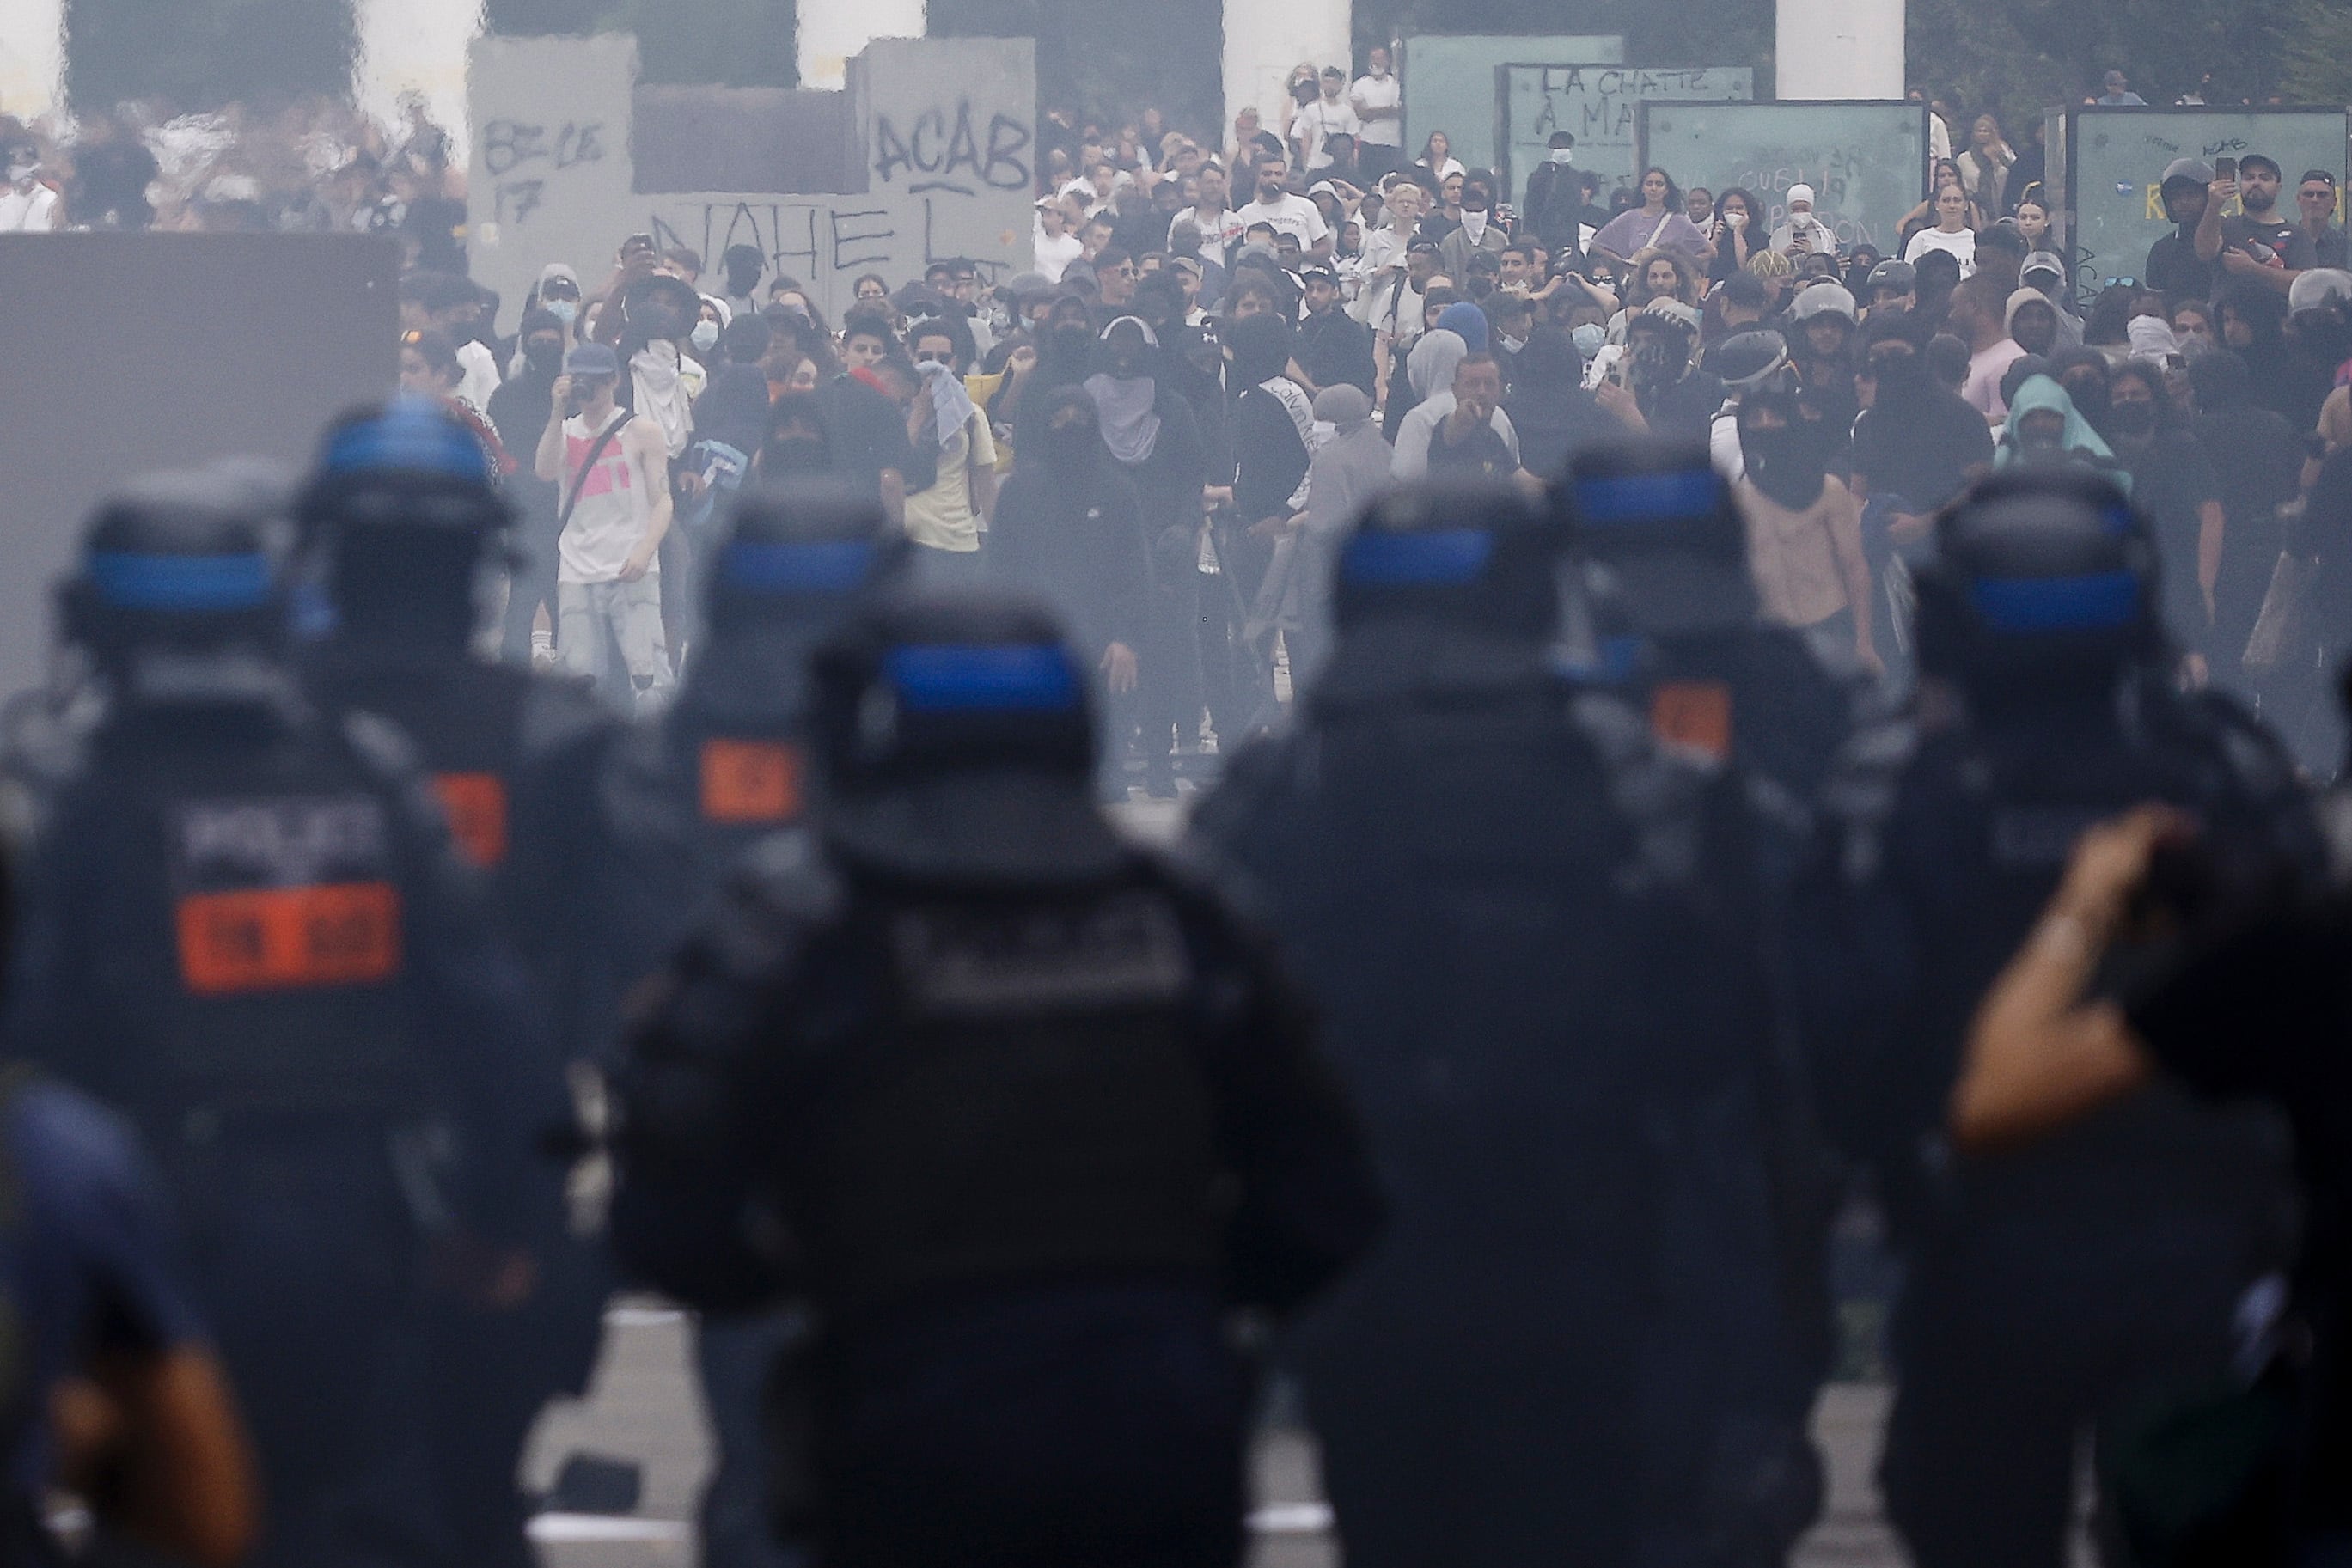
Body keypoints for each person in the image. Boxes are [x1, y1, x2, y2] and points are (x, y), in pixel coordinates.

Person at [607, 590, 1382, 1568]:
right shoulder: (1185, 919)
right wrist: (1178, 1296)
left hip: (906, 1412)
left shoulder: (796, 934)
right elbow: (1327, 1197)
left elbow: (668, 1219)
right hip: (1149, 1414)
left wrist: (817, 1280)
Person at [1193, 479, 1817, 1568]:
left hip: (1371, 1274)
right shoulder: (1645, 786)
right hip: (1585, 1258)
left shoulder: (1274, 785)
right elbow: (1738, 1056)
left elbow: (1205, 1051)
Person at [4, 470, 545, 1568]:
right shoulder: (370, 777)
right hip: (363, 1235)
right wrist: (505, 1218)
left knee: (159, 1522)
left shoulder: (56, 793)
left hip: (138, 1241)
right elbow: (491, 1024)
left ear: (90, 624)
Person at [1799, 465, 2316, 1568]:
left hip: (1986, 1237)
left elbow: (1841, 1034)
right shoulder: (2222, 762)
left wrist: (1876, 1173)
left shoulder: (1895, 782)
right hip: (2193, 1238)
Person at [292, 400, 619, 1568]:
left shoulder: (252, 739)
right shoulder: (557, 735)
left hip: (260, 1191)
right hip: (486, 1196)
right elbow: (605, 994)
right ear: (485, 562)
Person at [576, 485, 908, 1568]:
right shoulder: (935, 754)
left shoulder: (662, 755)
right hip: (915, 1142)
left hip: (730, 1156)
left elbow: (618, 970)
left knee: (759, 1447)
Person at [987, 387, 1151, 796]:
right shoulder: (1019, 491)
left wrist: (1127, 639)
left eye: (1079, 418)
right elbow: (999, 572)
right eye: (1059, 419)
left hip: (1103, 646)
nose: (1069, 427)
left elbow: (1136, 570)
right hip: (1035, 644)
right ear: (1044, 427)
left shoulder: (1118, 490)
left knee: (1105, 778)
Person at [1084, 316, 1206, 797]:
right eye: (1118, 342)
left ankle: (1158, 763)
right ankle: (1111, 766)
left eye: (1135, 343)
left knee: (1163, 663)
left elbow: (1192, 476)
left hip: (1163, 550)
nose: (1125, 352)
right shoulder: (1086, 406)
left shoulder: (1171, 407)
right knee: (1110, 660)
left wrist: (1184, 524)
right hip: (1106, 551)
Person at [535, 341, 676, 711]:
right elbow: (545, 471)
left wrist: (645, 550)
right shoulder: (566, 431)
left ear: (613, 381)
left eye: (595, 381)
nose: (589, 390)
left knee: (648, 670)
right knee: (579, 675)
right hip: (578, 565)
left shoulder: (641, 431)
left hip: (630, 561)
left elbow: (662, 499)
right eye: (581, 380)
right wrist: (556, 412)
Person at [1737, 390, 1880, 674]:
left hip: (1830, 625)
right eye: (1755, 418)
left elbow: (1855, 567)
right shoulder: (1737, 500)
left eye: (1776, 416)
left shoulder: (1828, 491)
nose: (1766, 424)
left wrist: (1865, 642)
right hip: (1773, 639)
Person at [2188, 351, 2299, 686]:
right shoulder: (2277, 425)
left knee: (2225, 653)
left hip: (2218, 554)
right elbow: (2292, 487)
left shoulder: (2194, 433)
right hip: (2271, 549)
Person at [901, 319, 999, 584]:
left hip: (960, 542)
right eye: (925, 357)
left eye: (943, 358)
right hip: (911, 540)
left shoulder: (971, 415)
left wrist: (1004, 544)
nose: (934, 365)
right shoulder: (895, 408)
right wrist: (920, 410)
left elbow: (987, 486)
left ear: (954, 363)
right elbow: (896, 465)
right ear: (910, 358)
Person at [1593, 168, 1713, 270]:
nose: (1653, 188)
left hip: (1669, 286)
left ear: (1666, 190)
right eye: (1649, 184)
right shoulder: (1629, 218)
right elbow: (1596, 245)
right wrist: (1622, 263)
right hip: (1637, 286)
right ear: (1642, 189)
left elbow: (1710, 252)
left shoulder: (1679, 221)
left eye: (1659, 184)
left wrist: (1679, 265)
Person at [1949, 276, 2027, 420]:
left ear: (1973, 306)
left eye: (1954, 307)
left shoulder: (2007, 364)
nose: (1950, 316)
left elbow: (2004, 423)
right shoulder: (1972, 358)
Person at [2144, 158, 2220, 302]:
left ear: (2208, 196)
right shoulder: (2162, 249)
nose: (2183, 202)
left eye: (2191, 194)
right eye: (2176, 197)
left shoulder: (2228, 239)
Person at [1237, 153, 1330, 258]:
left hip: (1301, 272)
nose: (1273, 179)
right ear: (1257, 177)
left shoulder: (1306, 206)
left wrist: (1298, 257)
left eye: (1278, 174)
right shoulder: (1243, 214)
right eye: (1267, 174)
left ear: (1286, 176)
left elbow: (1325, 247)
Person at [1350, 48, 1403, 180]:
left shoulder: (1396, 85)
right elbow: (1361, 113)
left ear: (1388, 61)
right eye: (1374, 58)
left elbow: (1400, 111)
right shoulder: (1359, 85)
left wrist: (1372, 112)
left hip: (1391, 144)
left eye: (1381, 58)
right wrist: (1388, 110)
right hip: (1367, 143)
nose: (1377, 62)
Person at [1903, 185, 1978, 278]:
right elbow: (1910, 277)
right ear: (1936, 205)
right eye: (1946, 200)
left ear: (1966, 205)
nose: (1952, 205)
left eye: (1957, 200)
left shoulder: (1976, 240)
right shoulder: (1921, 238)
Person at [2293, 169, 2350, 272]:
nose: (2315, 200)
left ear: (2334, 202)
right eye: (2309, 194)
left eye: (2322, 195)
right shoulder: (2287, 241)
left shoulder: (2345, 246)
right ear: (2298, 200)